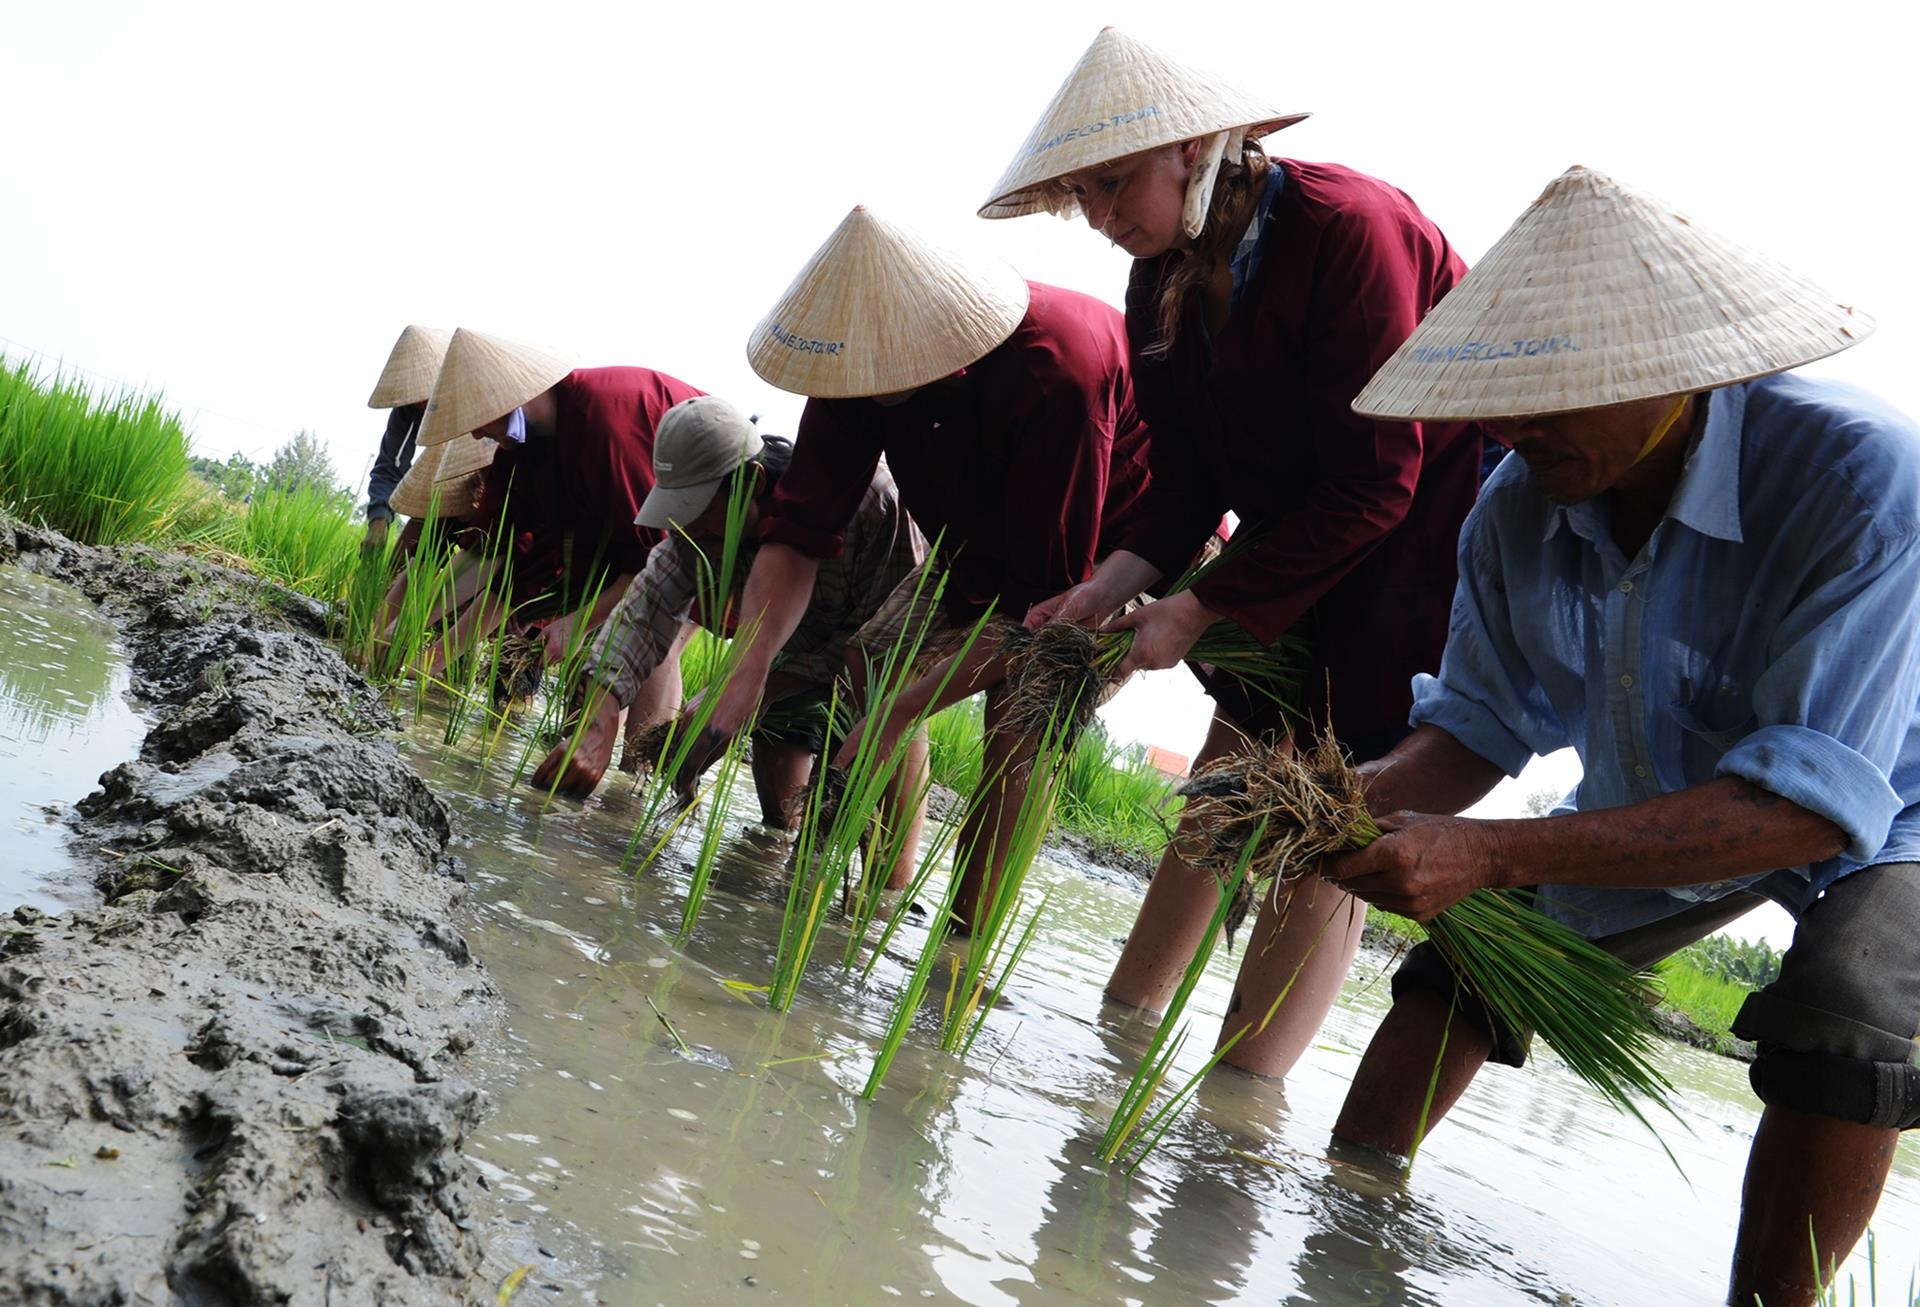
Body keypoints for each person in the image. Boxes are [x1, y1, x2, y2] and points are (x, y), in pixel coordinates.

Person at [1324, 164, 1912, 1307]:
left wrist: (1491, 850)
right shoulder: (1519, 502)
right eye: (1508, 390)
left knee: (1845, 1009)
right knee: (1467, 963)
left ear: (1677, 371)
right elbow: (1478, 726)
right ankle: (1339, 1236)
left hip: (1891, 802)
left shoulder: (1859, 478)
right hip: (1679, 790)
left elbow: (1805, 804)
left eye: (1563, 387)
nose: (1516, 423)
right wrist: (1337, 802)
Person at [981, 28, 1484, 1076]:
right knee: (1229, 763)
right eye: (1084, 195)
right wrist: (1113, 584)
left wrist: (1199, 611)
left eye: (1117, 184)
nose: (1104, 217)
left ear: (1199, 150)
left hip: (1422, 538)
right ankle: (1125, 1027)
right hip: (1301, 532)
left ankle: (1239, 1092)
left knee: (1331, 805)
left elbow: (1379, 479)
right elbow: (1188, 481)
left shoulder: (1349, 230)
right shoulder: (1157, 284)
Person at [703, 204, 1154, 916]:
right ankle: (880, 890)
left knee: (1019, 716)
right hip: (976, 545)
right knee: (868, 666)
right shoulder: (853, 368)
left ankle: (958, 945)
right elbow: (798, 531)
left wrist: (902, 712)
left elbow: (1044, 610)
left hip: (1111, 554)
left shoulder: (1055, 366)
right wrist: (745, 671)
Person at [531, 394, 926, 827]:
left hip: (879, 664)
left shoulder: (872, 502)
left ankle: (889, 890)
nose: (690, 527)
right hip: (785, 655)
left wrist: (745, 685)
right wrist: (598, 722)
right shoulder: (694, 536)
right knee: (782, 807)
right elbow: (643, 614)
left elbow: (899, 649)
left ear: (749, 482)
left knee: (863, 799)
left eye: (699, 510)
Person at [409, 328, 702, 729]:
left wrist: (578, 623)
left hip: (701, 533)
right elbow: (497, 558)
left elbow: (650, 566)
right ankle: (591, 762)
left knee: (655, 639)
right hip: (619, 551)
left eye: (476, 418)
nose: (476, 434)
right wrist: (412, 643)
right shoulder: (524, 453)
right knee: (583, 666)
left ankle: (634, 781)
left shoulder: (607, 422)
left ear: (507, 396)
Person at [362, 324, 452, 555]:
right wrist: (379, 520)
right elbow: (389, 467)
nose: (420, 403)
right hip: (432, 498)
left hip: (476, 495)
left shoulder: (467, 403)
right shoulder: (408, 410)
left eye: (426, 395)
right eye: (415, 397)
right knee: (397, 570)